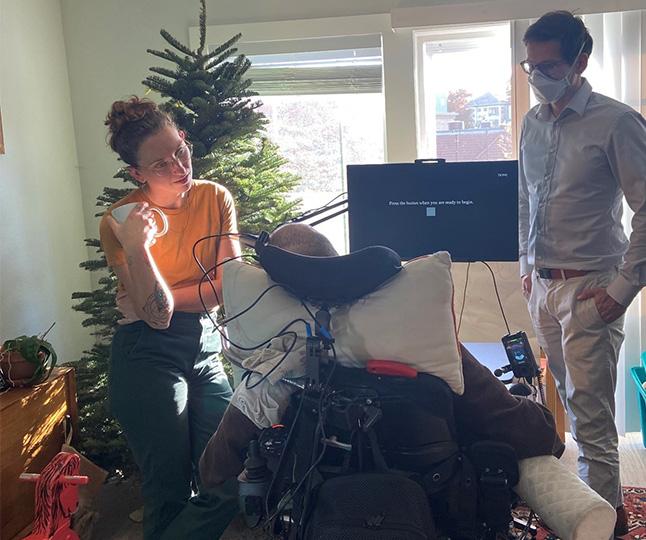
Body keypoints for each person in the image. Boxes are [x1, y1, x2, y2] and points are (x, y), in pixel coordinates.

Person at [199, 222, 565, 489]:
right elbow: (524, 432)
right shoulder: (425, 341)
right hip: (431, 501)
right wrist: (543, 420)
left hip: (323, 508)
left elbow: (214, 469)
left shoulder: (273, 363)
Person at [518, 11, 646, 537]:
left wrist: (622, 291)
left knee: (592, 420)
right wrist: (525, 266)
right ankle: (605, 513)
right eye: (531, 65)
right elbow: (525, 200)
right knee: (568, 399)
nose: (539, 75)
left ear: (581, 60)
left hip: (591, 289)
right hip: (542, 287)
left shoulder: (617, 121)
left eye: (551, 64)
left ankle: (604, 527)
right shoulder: (531, 123)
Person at [99, 96, 241, 540]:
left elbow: (225, 288)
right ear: (136, 174)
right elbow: (155, 320)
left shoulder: (215, 197)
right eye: (160, 164)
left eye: (180, 150)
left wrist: (157, 298)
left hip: (204, 349)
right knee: (168, 491)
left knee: (234, 471)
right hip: (146, 357)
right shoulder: (120, 221)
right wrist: (139, 246)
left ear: (183, 137)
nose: (179, 166)